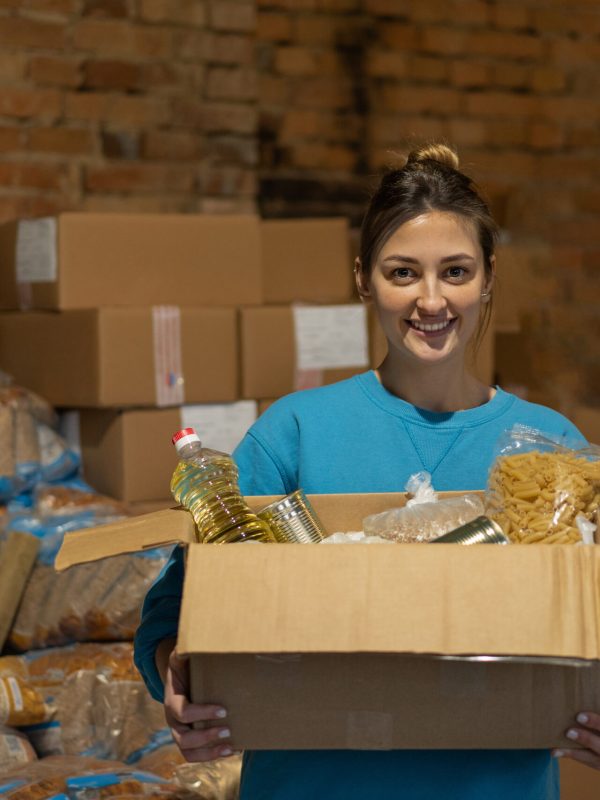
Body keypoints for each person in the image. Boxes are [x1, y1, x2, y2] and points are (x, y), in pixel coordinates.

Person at [134, 143, 600, 799]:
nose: (431, 300)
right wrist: (176, 687)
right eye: (403, 272)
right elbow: (174, 608)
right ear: (364, 278)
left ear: (490, 276)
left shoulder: (553, 450)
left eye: (457, 271)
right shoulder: (295, 431)